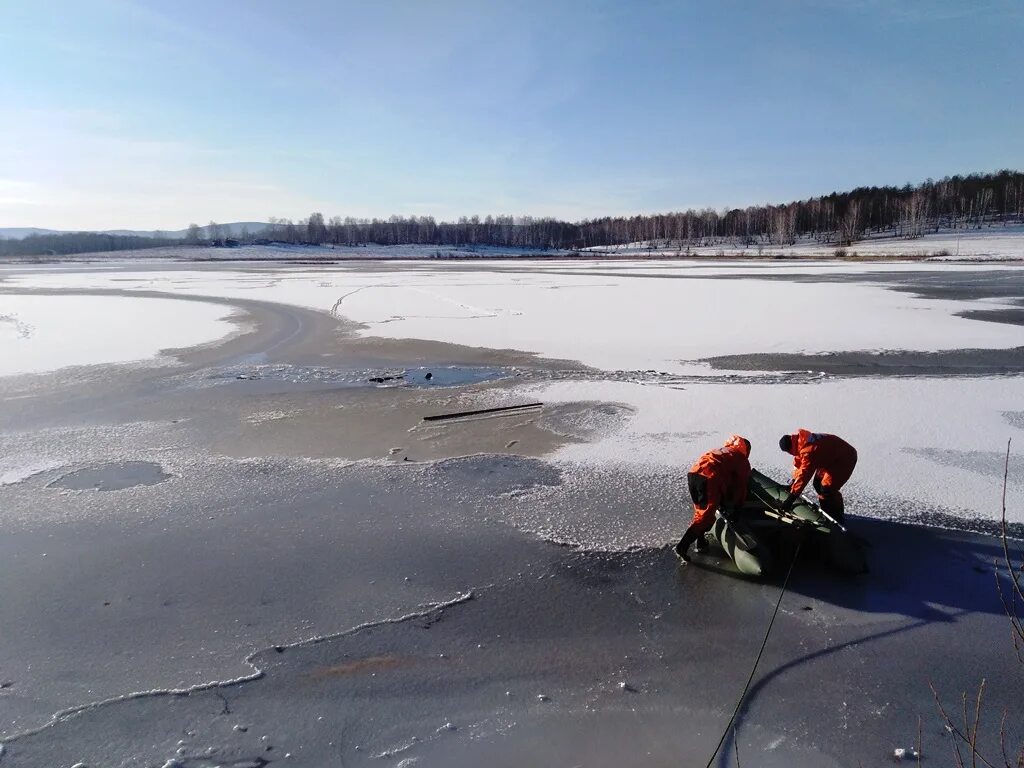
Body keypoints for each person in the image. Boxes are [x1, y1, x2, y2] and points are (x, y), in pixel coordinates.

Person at [675, 435, 751, 562]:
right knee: (705, 517)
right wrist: (737, 507)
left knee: (700, 512)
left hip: (694, 475)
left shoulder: (724, 451)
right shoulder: (741, 459)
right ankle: (682, 546)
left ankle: (701, 542)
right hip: (709, 479)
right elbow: (741, 487)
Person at [778, 429, 857, 522]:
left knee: (827, 489)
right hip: (830, 458)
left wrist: (791, 498)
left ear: (789, 448)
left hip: (844, 459)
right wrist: (793, 484)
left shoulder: (808, 451)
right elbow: (799, 466)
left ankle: (837, 516)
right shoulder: (800, 442)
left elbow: (804, 475)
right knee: (817, 483)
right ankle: (827, 512)